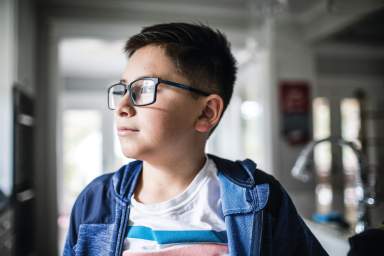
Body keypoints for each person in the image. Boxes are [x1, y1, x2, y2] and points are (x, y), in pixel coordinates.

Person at [63, 22, 328, 256]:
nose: (122, 105)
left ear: (206, 112)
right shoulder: (95, 201)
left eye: (144, 88)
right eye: (123, 89)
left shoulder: (260, 198)